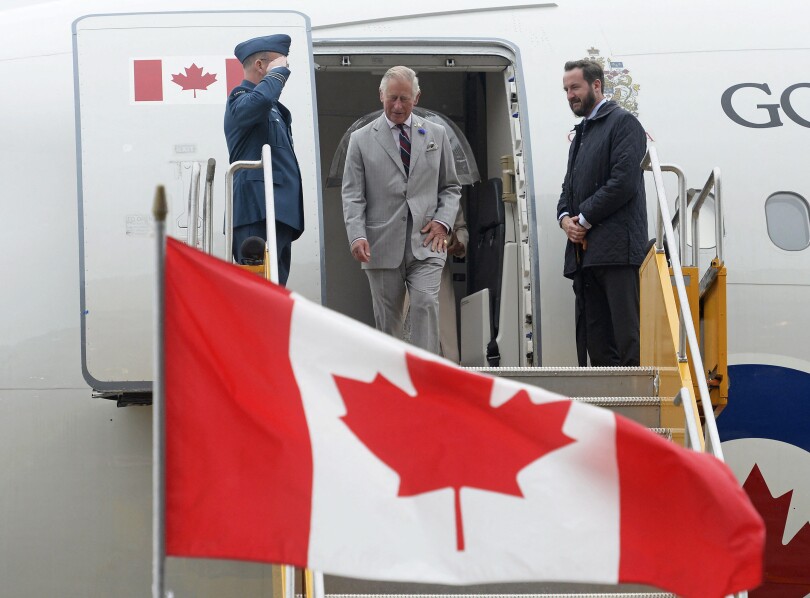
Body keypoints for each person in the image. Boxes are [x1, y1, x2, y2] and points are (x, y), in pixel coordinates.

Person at [342, 66, 461, 354]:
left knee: (424, 304)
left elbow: (451, 187)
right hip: (380, 243)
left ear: (416, 98)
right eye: (392, 98)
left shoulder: (437, 134)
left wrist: (443, 223)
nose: (397, 106)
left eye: (404, 99)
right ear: (380, 95)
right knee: (389, 323)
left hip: (427, 241)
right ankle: (396, 385)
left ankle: (426, 379)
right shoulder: (360, 139)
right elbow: (352, 195)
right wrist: (357, 235)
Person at [556, 59, 648, 366]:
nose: (570, 95)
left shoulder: (624, 124)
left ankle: (633, 408)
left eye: (575, 87)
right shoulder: (580, 135)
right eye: (566, 89)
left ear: (596, 86)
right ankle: (607, 411)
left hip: (617, 251)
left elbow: (623, 183)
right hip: (586, 256)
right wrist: (565, 220)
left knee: (627, 339)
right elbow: (567, 190)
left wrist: (582, 219)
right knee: (596, 343)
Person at [224, 34, 303, 286]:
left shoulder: (273, 109)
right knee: (255, 294)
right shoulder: (240, 99)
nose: (285, 74)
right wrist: (276, 75)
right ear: (261, 66)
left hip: (278, 213)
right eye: (282, 67)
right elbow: (257, 102)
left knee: (274, 293)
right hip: (256, 211)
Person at [439, 207, 468, 362]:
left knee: (441, 350)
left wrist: (458, 243)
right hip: (401, 275)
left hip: (437, 276)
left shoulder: (446, 187)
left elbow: (460, 228)